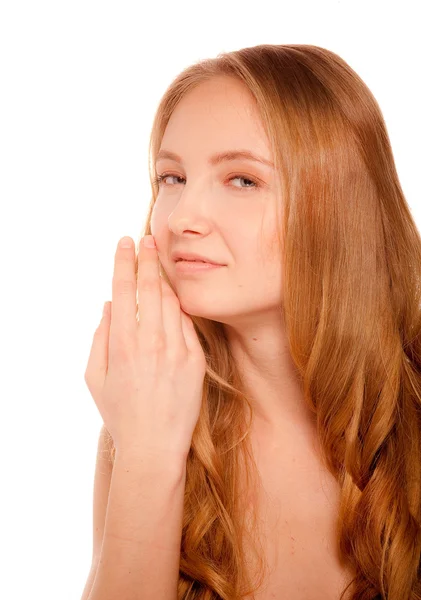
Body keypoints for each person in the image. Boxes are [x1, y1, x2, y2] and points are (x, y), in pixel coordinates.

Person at [81, 44, 421, 600]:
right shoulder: (145, 422)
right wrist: (147, 455)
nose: (182, 218)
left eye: (242, 180)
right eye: (172, 178)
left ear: (338, 206)